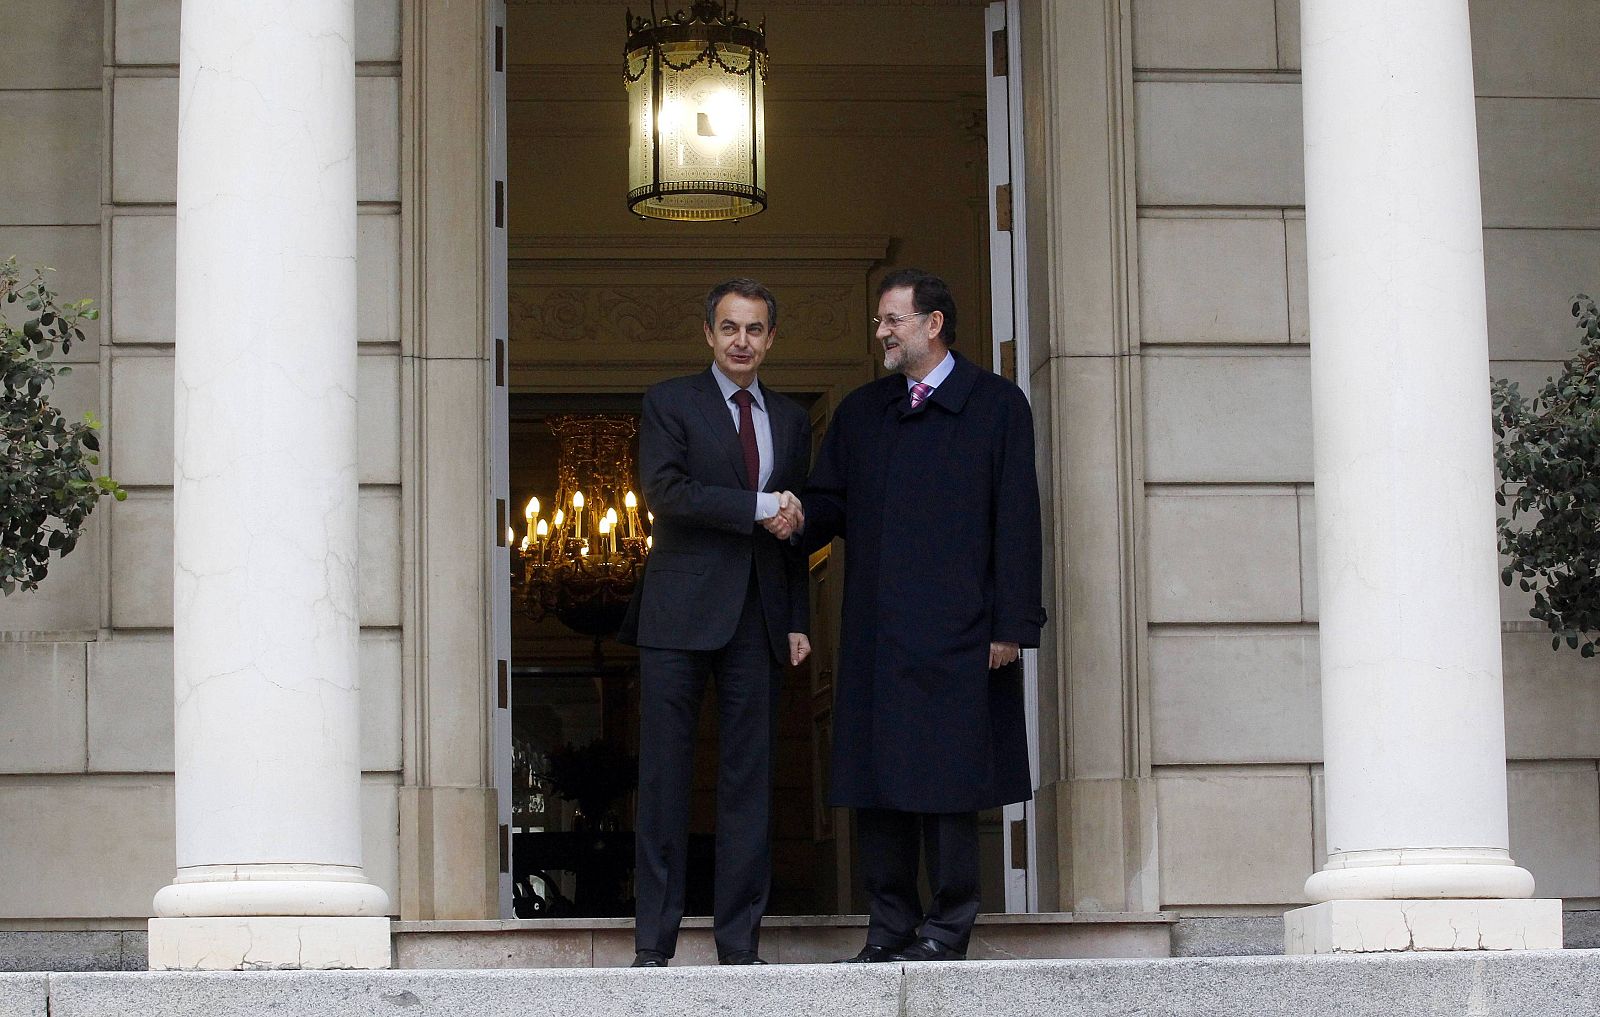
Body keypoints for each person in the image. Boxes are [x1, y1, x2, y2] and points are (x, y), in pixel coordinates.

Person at [800, 268, 1045, 963]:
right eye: (880, 321)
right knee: (878, 785)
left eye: (892, 320)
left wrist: (1011, 625)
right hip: (878, 634)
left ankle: (947, 925)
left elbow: (1017, 519)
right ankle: (888, 926)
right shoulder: (861, 411)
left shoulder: (996, 405)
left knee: (947, 783)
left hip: (962, 632)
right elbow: (829, 503)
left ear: (933, 324)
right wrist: (788, 514)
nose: (881, 332)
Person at [619, 278, 811, 968]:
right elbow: (666, 492)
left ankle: (740, 943)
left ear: (771, 338)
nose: (741, 341)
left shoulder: (790, 419)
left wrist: (797, 616)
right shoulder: (671, 401)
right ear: (708, 333)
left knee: (748, 784)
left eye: (754, 329)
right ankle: (653, 943)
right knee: (665, 779)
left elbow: (792, 526)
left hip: (759, 615)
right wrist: (761, 506)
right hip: (677, 615)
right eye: (729, 327)